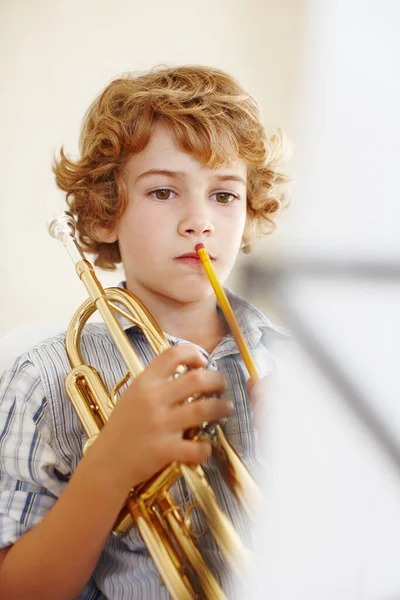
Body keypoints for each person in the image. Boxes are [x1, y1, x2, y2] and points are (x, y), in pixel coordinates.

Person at [0, 65, 289, 599]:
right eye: (163, 192)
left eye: (224, 196)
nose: (198, 221)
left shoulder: (301, 368)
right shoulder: (44, 379)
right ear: (105, 213)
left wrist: (315, 465)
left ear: (249, 213)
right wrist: (109, 467)